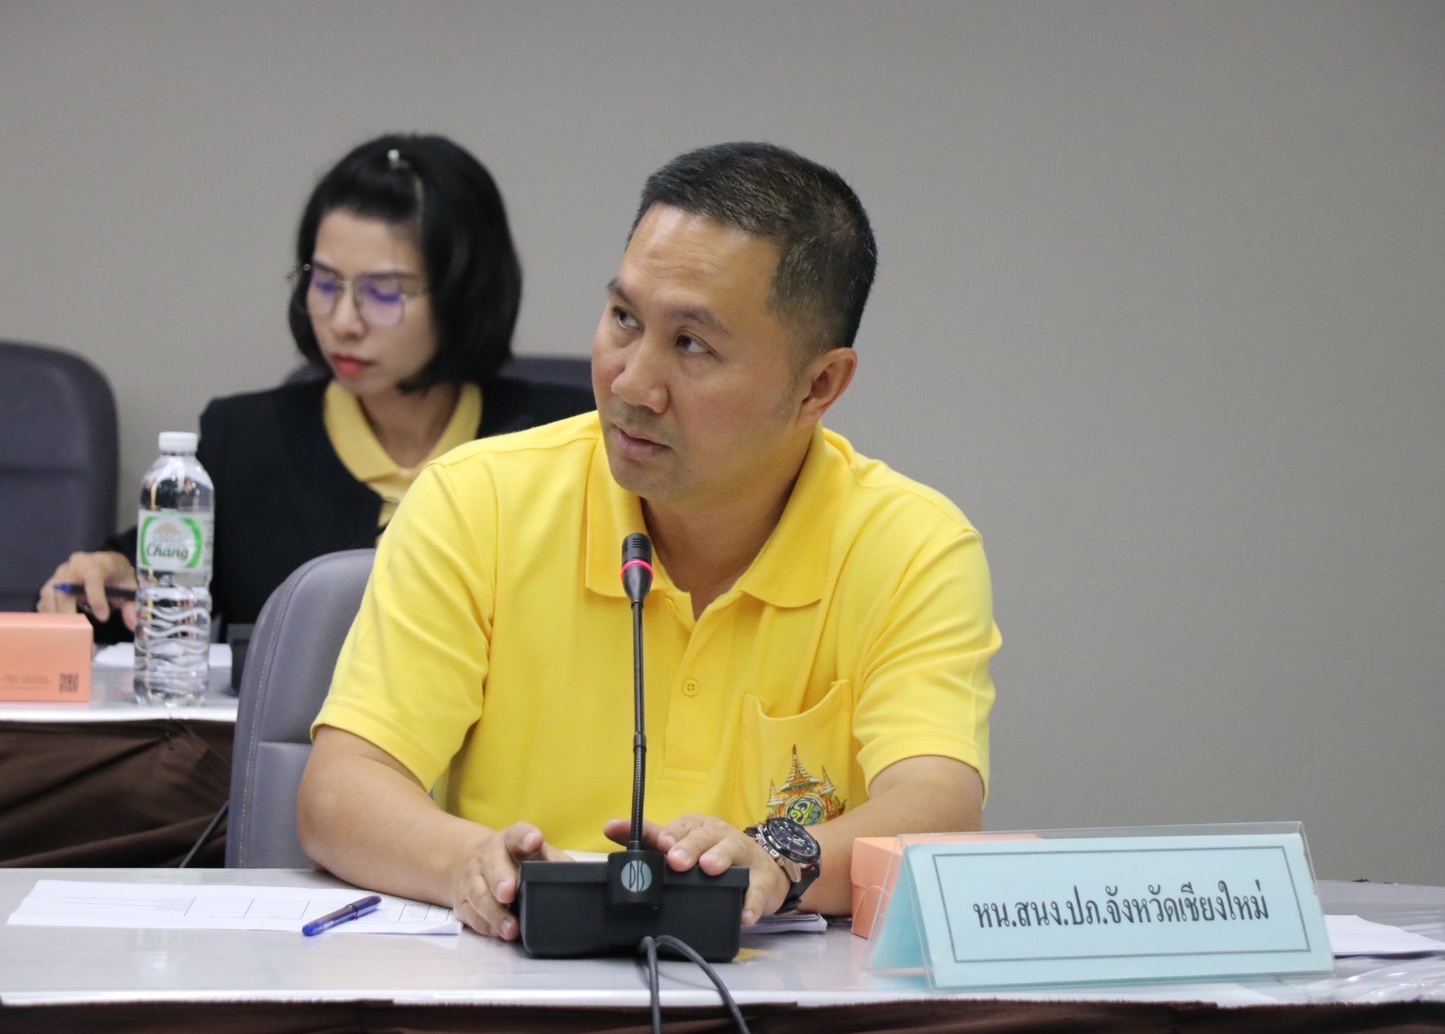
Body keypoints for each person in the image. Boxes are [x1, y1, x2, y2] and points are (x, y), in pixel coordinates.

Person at [299, 142, 1000, 940]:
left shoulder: (909, 547)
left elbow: (938, 807)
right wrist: (470, 862)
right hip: (515, 974)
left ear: (818, 385)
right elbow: (340, 791)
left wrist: (777, 859)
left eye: (692, 344)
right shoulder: (476, 501)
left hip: (768, 987)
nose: (630, 382)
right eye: (624, 319)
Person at [37, 133, 593, 635]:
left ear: (463, 295)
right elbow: (136, 602)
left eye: (383, 292)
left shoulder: (560, 443)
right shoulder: (244, 442)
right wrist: (105, 580)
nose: (344, 322)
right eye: (325, 283)